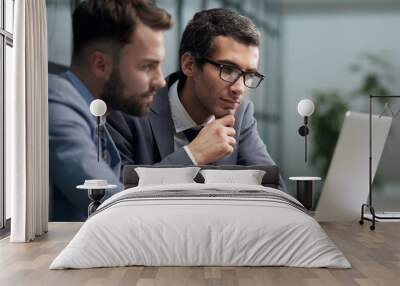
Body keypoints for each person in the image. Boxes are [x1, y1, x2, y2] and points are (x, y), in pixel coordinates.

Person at [108, 8, 285, 190]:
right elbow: (116, 195)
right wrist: (193, 156)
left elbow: (274, 187)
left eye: (248, 75)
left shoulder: (241, 114)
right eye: (227, 69)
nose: (239, 88)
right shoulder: (129, 111)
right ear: (189, 64)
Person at [49, 0, 172, 221]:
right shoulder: (57, 104)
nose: (161, 81)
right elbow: (113, 205)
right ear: (100, 65)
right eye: (147, 66)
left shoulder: (95, 113)